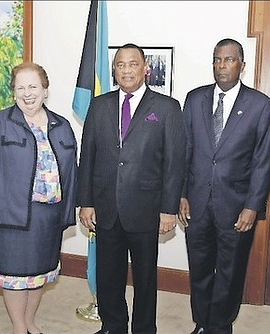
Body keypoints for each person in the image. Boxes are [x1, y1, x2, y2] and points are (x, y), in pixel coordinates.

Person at [77, 43, 186, 334]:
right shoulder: (99, 106)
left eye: (133, 64)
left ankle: (143, 328)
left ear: (145, 69)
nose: (127, 70)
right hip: (106, 207)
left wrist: (168, 208)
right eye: (121, 64)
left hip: (147, 209)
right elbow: (86, 156)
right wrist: (86, 202)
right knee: (108, 275)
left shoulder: (166, 108)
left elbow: (175, 162)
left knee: (145, 277)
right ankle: (113, 325)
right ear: (114, 70)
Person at [177, 38, 270, 334]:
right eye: (217, 60)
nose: (222, 66)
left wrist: (252, 206)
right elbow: (186, 151)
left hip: (236, 206)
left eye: (229, 60)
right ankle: (202, 322)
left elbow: (263, 161)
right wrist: (181, 194)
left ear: (242, 66)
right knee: (200, 268)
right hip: (196, 202)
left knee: (230, 272)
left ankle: (221, 326)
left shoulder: (259, 105)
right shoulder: (194, 99)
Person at [0, 62, 77, 334]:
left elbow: (73, 172)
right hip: (11, 215)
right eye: (21, 87)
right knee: (14, 276)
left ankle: (30, 321)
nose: (27, 93)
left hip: (48, 216)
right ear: (13, 92)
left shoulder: (62, 125)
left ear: (45, 90)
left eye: (33, 86)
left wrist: (70, 213)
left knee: (38, 273)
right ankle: (19, 327)